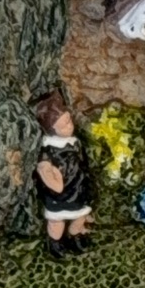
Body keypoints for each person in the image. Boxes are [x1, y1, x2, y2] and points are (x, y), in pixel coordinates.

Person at [34, 91, 93, 255]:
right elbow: (44, 167)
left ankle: (75, 235)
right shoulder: (49, 148)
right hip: (59, 193)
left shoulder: (75, 143)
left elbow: (83, 162)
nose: (70, 126)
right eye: (65, 125)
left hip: (77, 187)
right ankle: (55, 242)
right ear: (53, 128)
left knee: (80, 215)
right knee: (56, 220)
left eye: (70, 121)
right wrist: (53, 181)